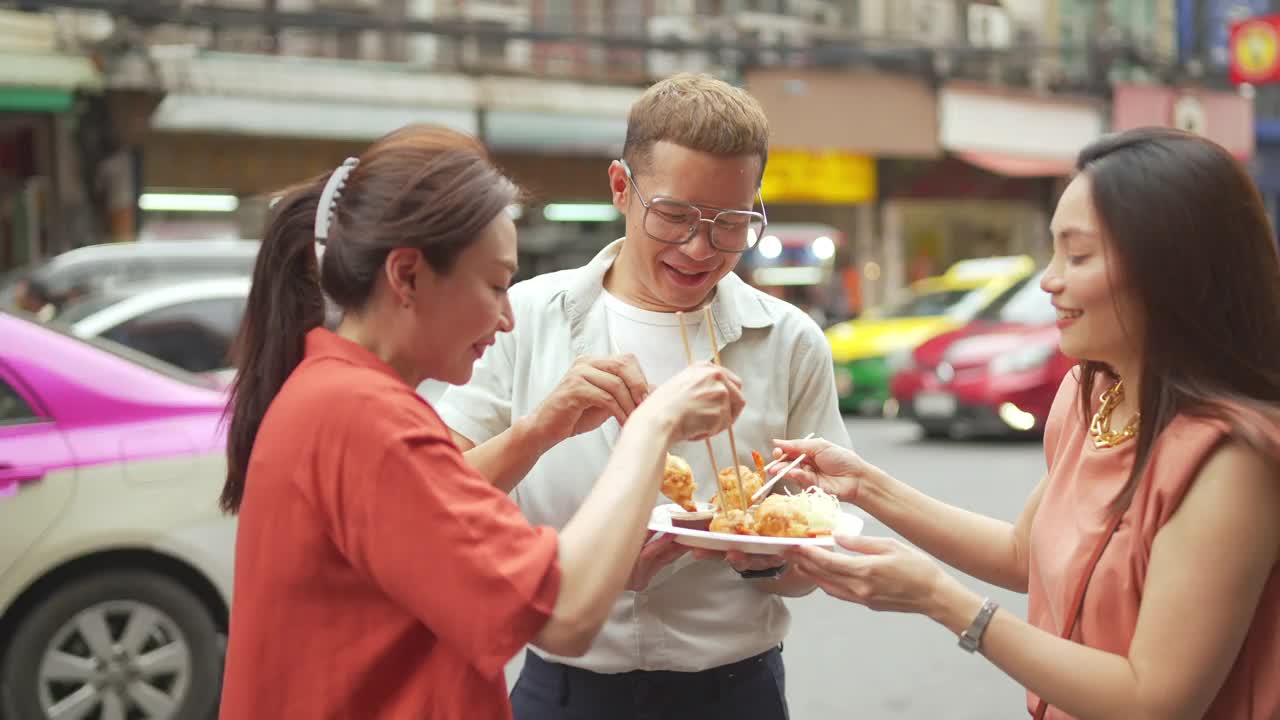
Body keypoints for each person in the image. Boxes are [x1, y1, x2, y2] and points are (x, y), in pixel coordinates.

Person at [216, 125, 746, 720]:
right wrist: (654, 426)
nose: (506, 319)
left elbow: (442, 525)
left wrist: (542, 428)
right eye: (496, 285)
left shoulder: (334, 394)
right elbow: (563, 615)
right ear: (408, 276)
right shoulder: (363, 419)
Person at [774, 127, 1280, 719]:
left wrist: (941, 600)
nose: (1050, 280)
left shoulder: (1232, 459)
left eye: (1080, 255)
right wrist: (864, 486)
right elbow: (1024, 553)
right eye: (1054, 252)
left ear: (1169, 267)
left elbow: (1154, 700)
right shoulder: (1089, 398)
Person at [436, 73, 850, 719]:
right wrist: (539, 428)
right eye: (676, 216)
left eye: (731, 224)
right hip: (565, 686)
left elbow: (820, 545)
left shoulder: (790, 340)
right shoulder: (527, 316)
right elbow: (436, 504)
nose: (699, 248)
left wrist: (761, 558)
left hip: (734, 689)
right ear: (621, 188)